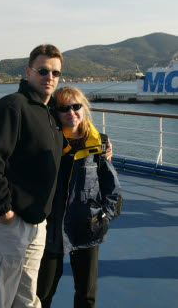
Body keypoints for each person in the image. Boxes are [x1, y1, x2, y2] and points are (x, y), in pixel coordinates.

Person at [0, 45, 64, 308]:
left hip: (36, 225)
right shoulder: (13, 106)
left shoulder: (48, 113)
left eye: (56, 73)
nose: (50, 77)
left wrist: (103, 144)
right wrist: (3, 211)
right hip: (7, 225)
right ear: (28, 72)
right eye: (43, 71)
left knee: (26, 297)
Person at [37, 86, 121, 308]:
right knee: (42, 291)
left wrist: (104, 216)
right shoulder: (48, 140)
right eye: (64, 108)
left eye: (76, 106)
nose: (71, 112)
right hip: (52, 225)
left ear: (84, 107)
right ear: (55, 111)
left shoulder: (99, 143)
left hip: (86, 224)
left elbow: (110, 186)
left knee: (86, 293)